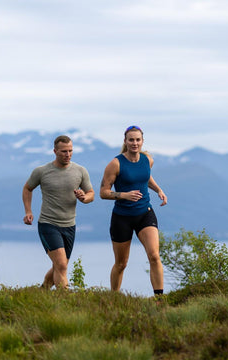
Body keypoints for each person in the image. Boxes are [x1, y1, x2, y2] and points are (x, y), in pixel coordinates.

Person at [100, 125, 167, 297]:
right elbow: (103, 192)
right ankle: (114, 297)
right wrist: (124, 195)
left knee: (154, 256)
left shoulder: (147, 160)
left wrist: (158, 189)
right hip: (122, 218)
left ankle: (159, 299)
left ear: (142, 141)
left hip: (145, 213)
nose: (134, 143)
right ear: (125, 141)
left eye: (138, 140)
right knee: (121, 263)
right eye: (131, 140)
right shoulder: (115, 164)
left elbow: (145, 177)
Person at [22, 135, 94, 289]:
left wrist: (84, 198)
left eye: (70, 151)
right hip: (48, 224)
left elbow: (91, 194)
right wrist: (28, 211)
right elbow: (27, 188)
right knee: (61, 264)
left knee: (59, 266)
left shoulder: (80, 171)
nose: (67, 154)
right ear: (55, 151)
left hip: (69, 225)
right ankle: (66, 300)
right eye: (63, 151)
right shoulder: (42, 171)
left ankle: (42, 292)